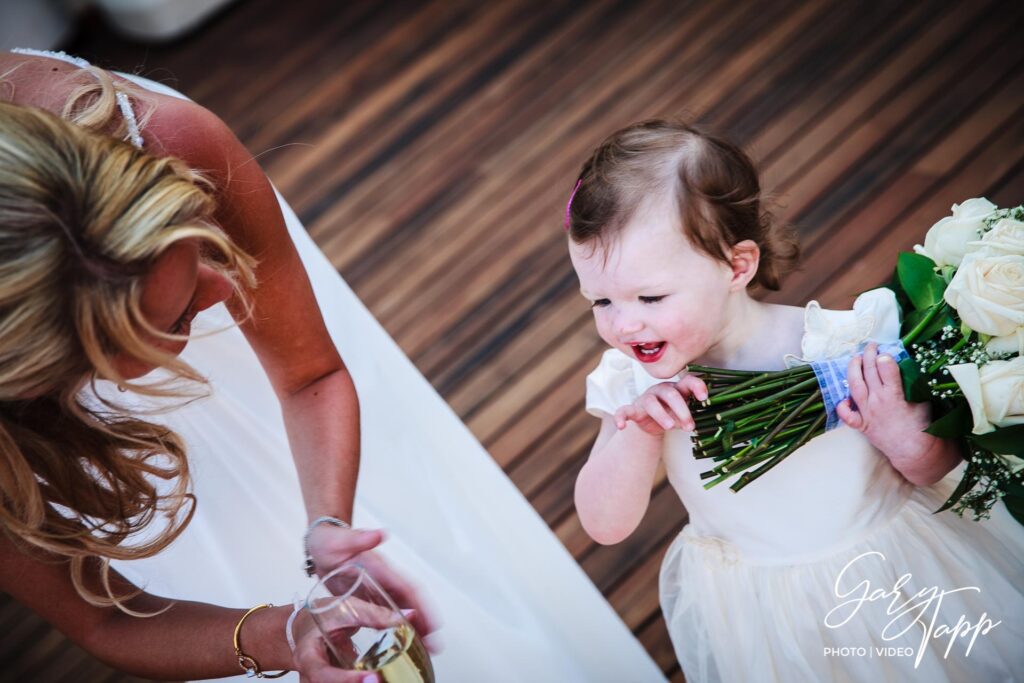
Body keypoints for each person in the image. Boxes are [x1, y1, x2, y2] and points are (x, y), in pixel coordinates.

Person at [0, 50, 667, 682]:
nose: (224, 293)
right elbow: (101, 616)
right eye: (179, 318)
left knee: (421, 519)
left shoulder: (164, 142)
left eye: (201, 252)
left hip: (288, 395)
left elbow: (310, 373)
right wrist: (281, 634)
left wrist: (327, 525)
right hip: (80, 443)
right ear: (50, 379)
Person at [567, 119, 1024, 682]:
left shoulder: (844, 345)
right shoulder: (632, 389)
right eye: (601, 301)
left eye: (651, 296)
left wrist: (903, 436)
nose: (624, 322)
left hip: (897, 579)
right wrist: (638, 432)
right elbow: (604, 524)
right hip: (771, 616)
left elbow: (937, 469)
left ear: (737, 266)